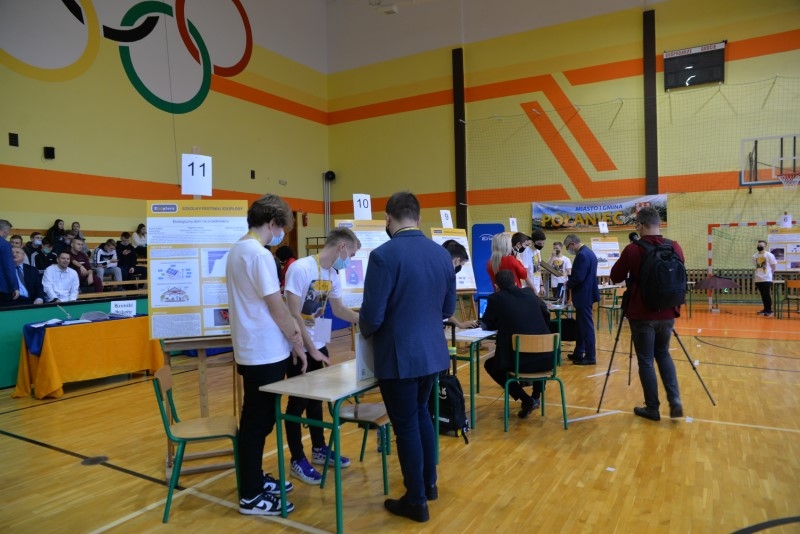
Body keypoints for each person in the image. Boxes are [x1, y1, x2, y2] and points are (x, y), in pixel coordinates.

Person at [359, 191, 456, 523]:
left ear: (388, 218)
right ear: (419, 216)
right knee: (421, 415)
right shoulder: (441, 255)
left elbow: (372, 316)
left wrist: (364, 328)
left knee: (406, 427)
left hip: (400, 356)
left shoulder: (383, 256)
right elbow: (447, 308)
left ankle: (416, 501)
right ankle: (429, 485)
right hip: (433, 353)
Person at [226, 193, 323, 516]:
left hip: (254, 349)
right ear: (272, 223)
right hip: (263, 352)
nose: (281, 234)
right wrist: (297, 340)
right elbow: (277, 307)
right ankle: (250, 494)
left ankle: (253, 478)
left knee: (260, 419)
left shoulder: (238, 249)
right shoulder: (258, 254)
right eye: (281, 228)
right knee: (257, 422)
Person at [283, 228, 361, 484]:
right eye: (351, 254)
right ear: (342, 247)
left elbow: (337, 309)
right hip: (297, 347)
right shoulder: (301, 269)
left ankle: (319, 448)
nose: (350, 260)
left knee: (317, 401)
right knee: (297, 404)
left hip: (317, 344)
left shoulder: (333, 274)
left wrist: (365, 320)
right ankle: (297, 459)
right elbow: (293, 314)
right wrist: (311, 349)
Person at [610, 206, 684, 421]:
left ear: (640, 225)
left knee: (646, 360)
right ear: (659, 224)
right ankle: (675, 401)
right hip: (668, 311)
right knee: (664, 354)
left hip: (642, 313)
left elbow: (616, 276)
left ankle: (652, 408)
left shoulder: (633, 249)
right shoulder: (674, 246)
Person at [481, 270, 555, 418]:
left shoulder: (495, 298)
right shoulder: (530, 293)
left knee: (491, 365)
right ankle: (536, 396)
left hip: (519, 363)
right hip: (547, 359)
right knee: (538, 355)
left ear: (496, 286)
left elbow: (487, 324)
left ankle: (526, 400)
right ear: (515, 283)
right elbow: (546, 314)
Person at [564, 233, 599, 365]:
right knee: (581, 326)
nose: (568, 250)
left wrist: (568, 283)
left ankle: (590, 356)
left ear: (572, 244)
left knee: (586, 326)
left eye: (568, 247)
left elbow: (579, 277)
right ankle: (579, 352)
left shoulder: (582, 255)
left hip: (584, 295)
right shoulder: (589, 252)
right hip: (587, 294)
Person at [442, 239, 478, 329]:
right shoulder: (447, 278)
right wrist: (461, 325)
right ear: (457, 261)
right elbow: (446, 310)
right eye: (462, 264)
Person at [753, 239, 777, 317]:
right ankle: (765, 309)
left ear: (765, 246)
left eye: (761, 245)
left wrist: (770, 273)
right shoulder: (755, 256)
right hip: (758, 278)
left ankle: (769, 310)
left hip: (766, 278)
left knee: (766, 294)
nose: (759, 246)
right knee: (763, 294)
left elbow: (773, 265)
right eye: (758, 245)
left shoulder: (769, 255)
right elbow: (756, 266)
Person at [0, 220, 20, 306]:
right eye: (9, 231)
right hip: (2, 286)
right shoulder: (4, 244)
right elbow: (8, 267)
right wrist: (14, 287)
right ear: (5, 231)